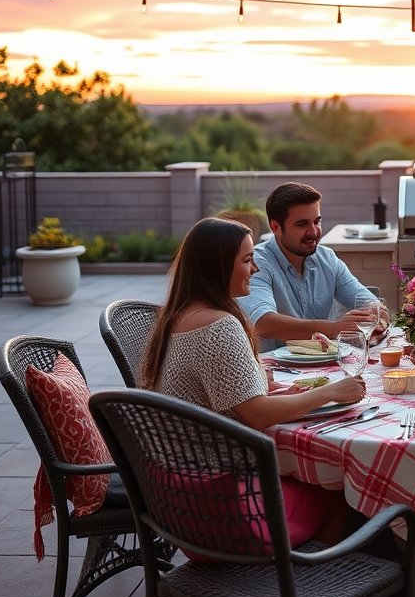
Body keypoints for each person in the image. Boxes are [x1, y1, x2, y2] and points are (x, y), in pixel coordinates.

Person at [139, 216, 365, 545]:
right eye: (247, 260)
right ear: (217, 266)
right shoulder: (219, 325)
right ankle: (311, 584)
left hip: (178, 501)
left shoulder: (177, 317)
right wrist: (333, 391)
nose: (256, 269)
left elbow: (222, 395)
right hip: (225, 503)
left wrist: (265, 384)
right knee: (341, 491)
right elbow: (257, 414)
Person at [238, 182, 385, 352]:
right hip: (274, 372)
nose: (313, 232)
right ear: (275, 226)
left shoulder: (327, 258)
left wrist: (376, 316)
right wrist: (335, 328)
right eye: (302, 224)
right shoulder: (257, 263)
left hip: (326, 368)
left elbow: (372, 304)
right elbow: (263, 323)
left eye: (316, 222)